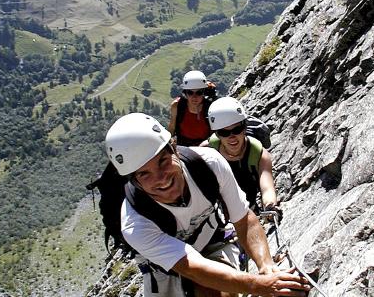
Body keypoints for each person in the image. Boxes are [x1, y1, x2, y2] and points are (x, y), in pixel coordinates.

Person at [105, 113, 310, 296]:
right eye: (144, 174)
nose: (161, 179)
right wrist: (259, 285)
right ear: (133, 181)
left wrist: (267, 268)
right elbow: (191, 267)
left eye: (163, 161)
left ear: (174, 148)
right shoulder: (137, 224)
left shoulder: (208, 164)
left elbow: (243, 218)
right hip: (166, 266)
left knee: (221, 293)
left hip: (212, 239)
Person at [202, 97, 279, 215]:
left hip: (248, 212)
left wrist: (270, 207)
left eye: (237, 129)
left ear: (244, 127)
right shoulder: (206, 151)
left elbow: (267, 188)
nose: (231, 137)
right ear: (217, 134)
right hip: (216, 215)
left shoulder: (259, 155)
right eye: (224, 132)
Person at [168, 70, 215, 146]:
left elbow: (215, 133)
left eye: (199, 93)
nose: (194, 97)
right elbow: (172, 129)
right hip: (182, 145)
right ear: (185, 93)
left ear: (204, 93)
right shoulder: (177, 106)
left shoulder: (210, 108)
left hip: (206, 145)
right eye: (190, 93)